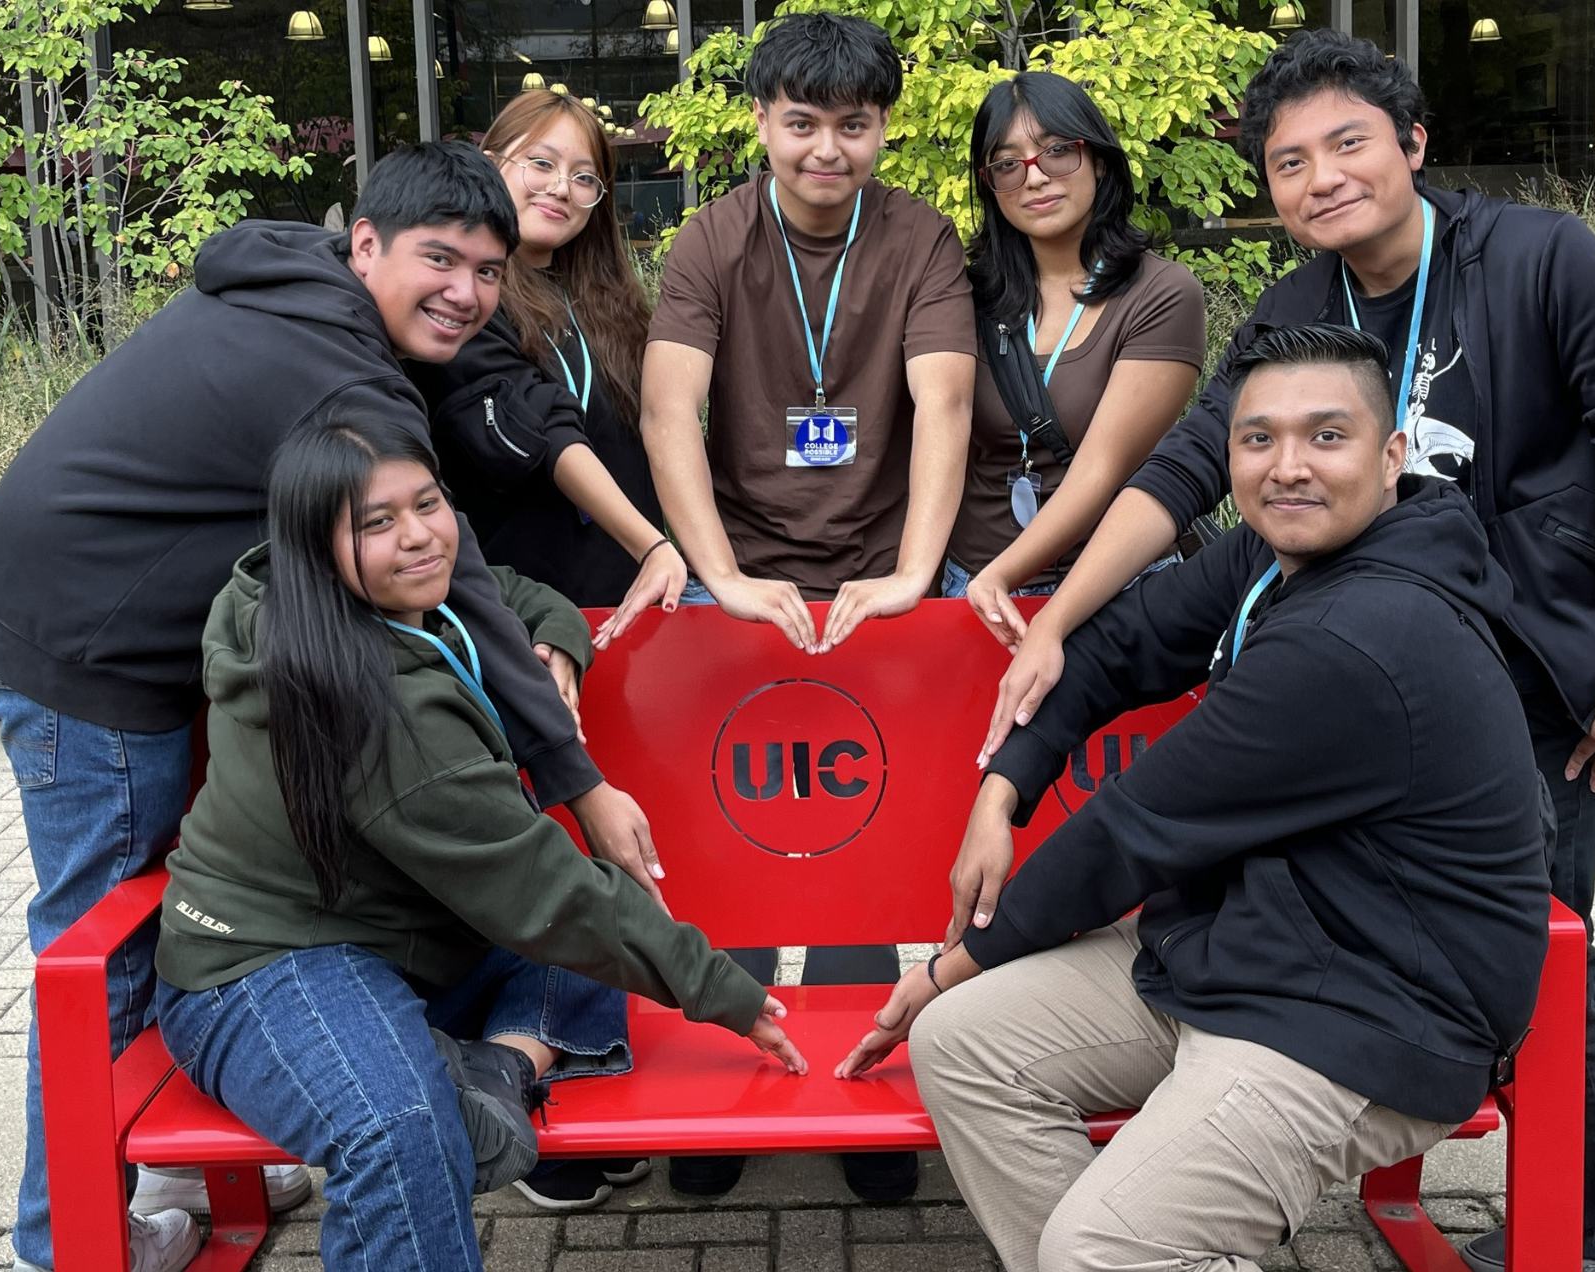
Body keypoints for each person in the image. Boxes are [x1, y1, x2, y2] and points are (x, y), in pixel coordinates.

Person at [972, 32, 1595, 1271]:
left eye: (1347, 145)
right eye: (1289, 161)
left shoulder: (1537, 258)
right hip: (1378, 676)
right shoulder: (1301, 307)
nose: (1320, 179)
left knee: (1539, 937)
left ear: (1412, 144)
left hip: (1550, 686)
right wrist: (1050, 616)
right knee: (1485, 935)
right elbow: (1194, 466)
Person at [0, 142, 668, 1272]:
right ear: (366, 244)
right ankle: (70, 1239)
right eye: (441, 259)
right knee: (103, 938)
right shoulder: (343, 375)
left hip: (80, 615)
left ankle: (219, 1144)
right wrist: (577, 777)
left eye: (487, 270)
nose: (467, 293)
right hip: (87, 650)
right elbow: (464, 577)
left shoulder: (309, 286)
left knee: (146, 919)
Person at [839, 324, 1552, 1272]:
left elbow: (1132, 830)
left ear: (1391, 458)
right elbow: (1117, 646)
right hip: (1247, 946)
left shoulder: (1367, 631)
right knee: (970, 1047)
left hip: (1368, 1009)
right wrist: (1001, 790)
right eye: (1258, 439)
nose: (1287, 467)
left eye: (1325, 437)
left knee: (1098, 1246)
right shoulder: (1271, 555)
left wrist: (940, 967)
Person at [154, 417, 804, 1268]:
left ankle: (494, 1067)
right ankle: (452, 1072)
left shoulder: (398, 596)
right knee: (400, 1129)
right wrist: (724, 992)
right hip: (264, 969)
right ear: (315, 544)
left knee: (592, 936)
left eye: (427, 502)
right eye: (376, 522)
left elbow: (512, 594)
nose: (419, 535)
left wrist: (559, 647)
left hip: (416, 940)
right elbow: (545, 892)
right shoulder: (374, 706)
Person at [639, 10, 976, 1200]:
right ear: (761, 123)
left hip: (879, 578)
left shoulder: (923, 238)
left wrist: (916, 573)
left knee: (857, 836)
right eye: (800, 123)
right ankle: (723, 1086)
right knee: (725, 831)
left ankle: (851, 1096)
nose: (826, 148)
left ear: (881, 127)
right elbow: (667, 410)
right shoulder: (709, 241)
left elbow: (943, 406)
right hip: (746, 582)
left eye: (853, 124)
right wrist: (720, 573)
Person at [411, 91, 687, 649]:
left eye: (585, 178)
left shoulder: (618, 307)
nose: (562, 188)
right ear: (490, 165)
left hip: (636, 605)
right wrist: (652, 544)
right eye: (542, 163)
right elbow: (543, 428)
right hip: (522, 618)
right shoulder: (464, 303)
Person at [946, 72, 1205, 632]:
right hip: (969, 587)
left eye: (1058, 152)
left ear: (1101, 162)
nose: (1034, 178)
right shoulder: (962, 295)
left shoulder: (1160, 294)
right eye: (1008, 164)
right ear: (989, 184)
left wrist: (1001, 576)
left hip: (1114, 586)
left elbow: (1101, 468)